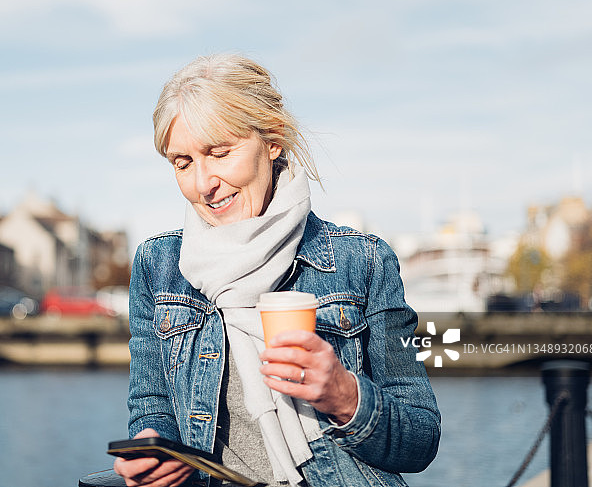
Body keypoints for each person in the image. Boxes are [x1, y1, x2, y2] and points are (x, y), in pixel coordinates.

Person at [113, 53, 440, 487]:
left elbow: (421, 439)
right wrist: (152, 451)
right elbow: (152, 408)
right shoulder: (158, 266)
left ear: (273, 140)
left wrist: (346, 397)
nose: (203, 184)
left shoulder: (363, 261)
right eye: (183, 162)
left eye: (219, 153)